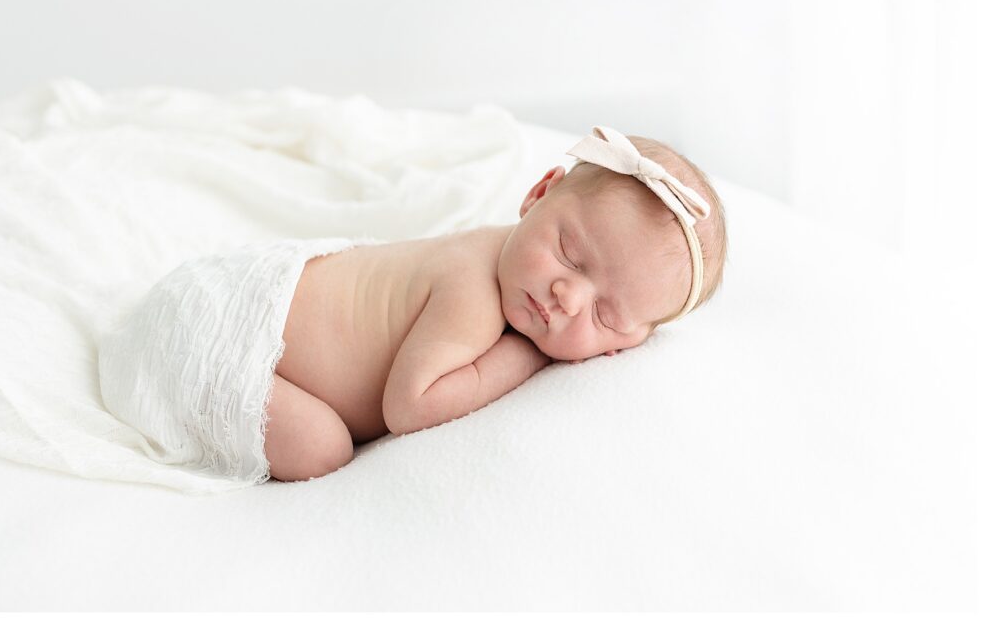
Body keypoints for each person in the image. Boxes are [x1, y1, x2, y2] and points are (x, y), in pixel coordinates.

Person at [98, 127, 728, 485]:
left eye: (606, 317)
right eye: (568, 252)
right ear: (538, 194)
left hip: (249, 312)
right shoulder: (473, 288)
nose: (569, 298)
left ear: (628, 344)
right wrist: (525, 359)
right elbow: (409, 406)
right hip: (225, 335)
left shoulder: (519, 273)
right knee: (322, 450)